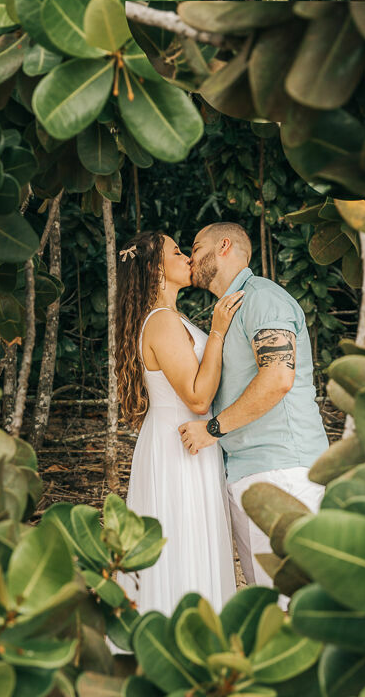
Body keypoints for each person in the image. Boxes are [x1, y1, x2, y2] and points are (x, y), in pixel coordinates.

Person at [178, 223, 328, 595]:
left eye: (195, 248)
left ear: (223, 246)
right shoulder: (233, 307)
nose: (190, 258)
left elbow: (277, 378)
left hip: (281, 472)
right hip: (251, 471)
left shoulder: (262, 299)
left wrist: (211, 430)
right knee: (269, 598)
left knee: (291, 601)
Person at [113, 230, 244, 616]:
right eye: (176, 252)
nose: (188, 257)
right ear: (156, 269)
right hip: (179, 447)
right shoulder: (162, 322)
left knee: (192, 539)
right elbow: (198, 397)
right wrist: (217, 330)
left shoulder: (172, 318)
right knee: (181, 539)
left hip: (190, 442)